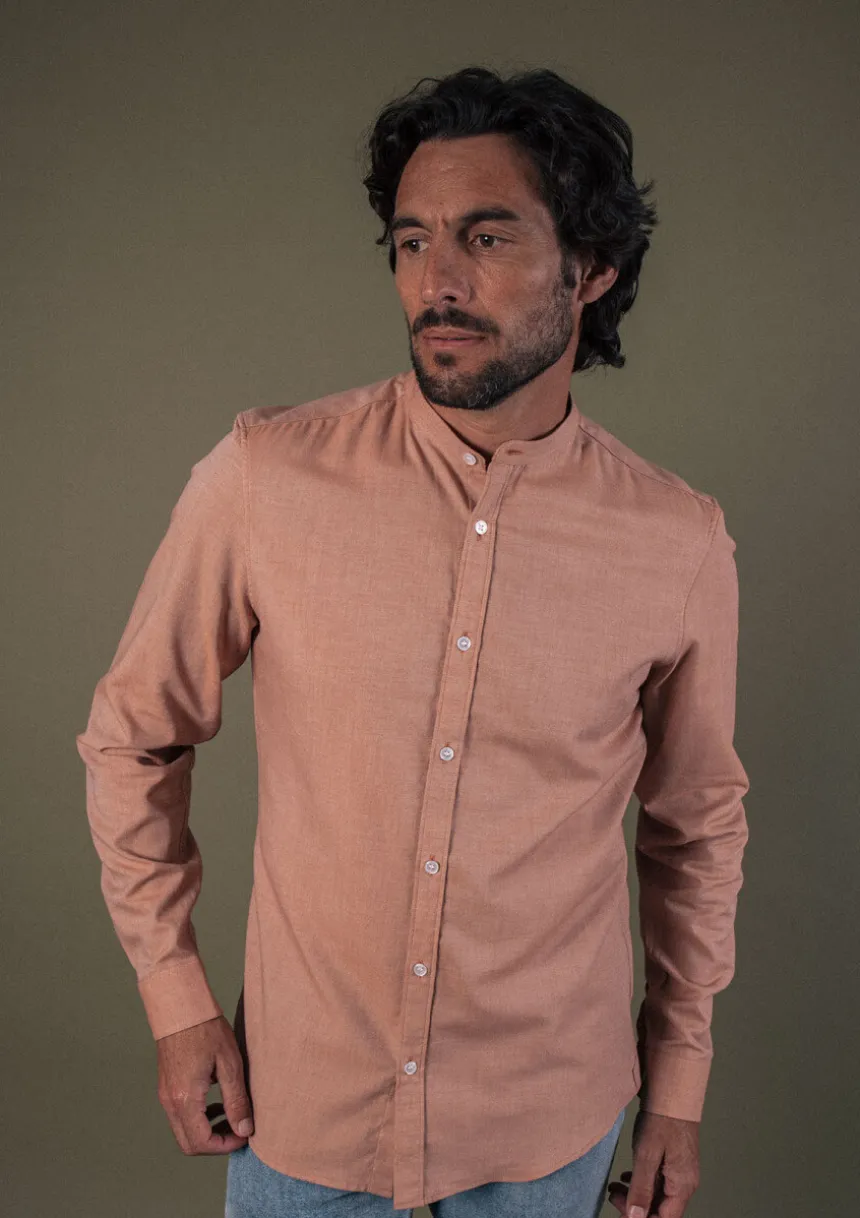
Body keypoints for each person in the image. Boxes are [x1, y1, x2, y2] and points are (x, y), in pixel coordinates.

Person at [76, 65, 750, 1218]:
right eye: (410, 241)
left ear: (590, 267)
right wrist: (175, 999)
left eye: (485, 238)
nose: (436, 281)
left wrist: (676, 1091)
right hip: (302, 1118)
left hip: (546, 1131)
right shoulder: (265, 476)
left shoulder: (676, 540)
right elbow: (131, 735)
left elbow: (693, 828)